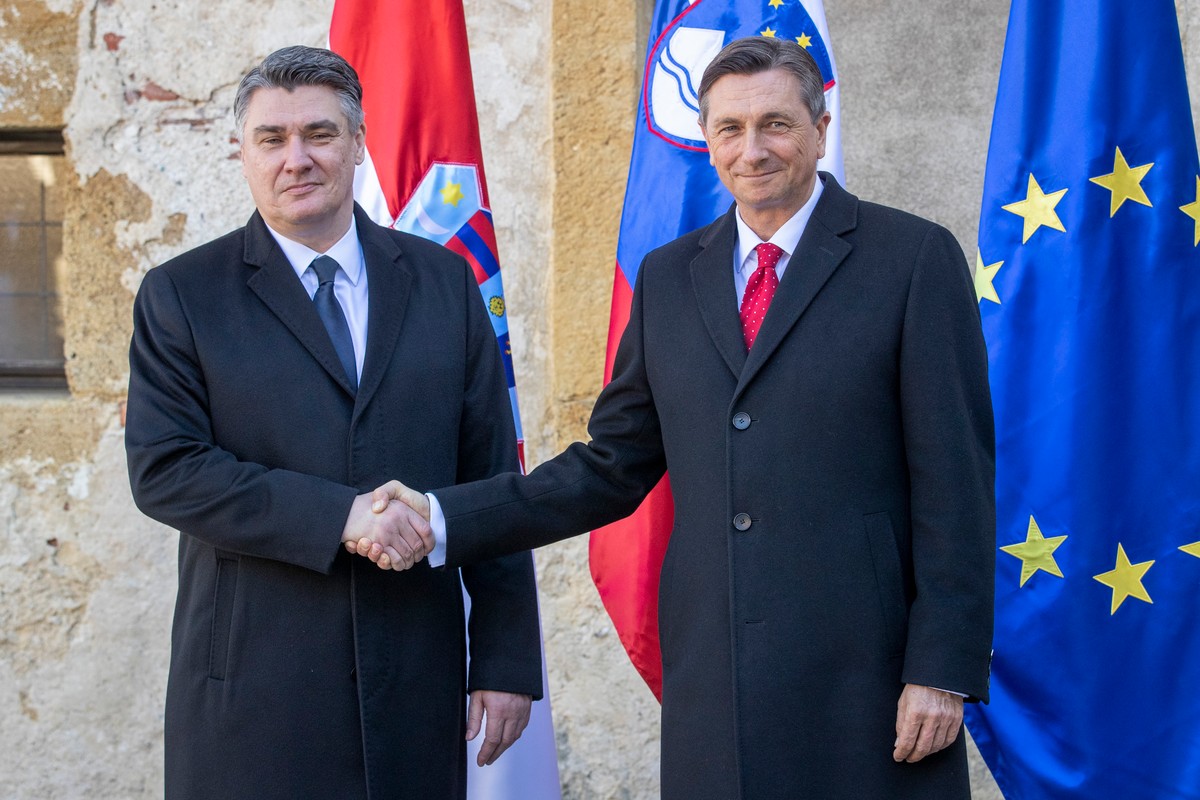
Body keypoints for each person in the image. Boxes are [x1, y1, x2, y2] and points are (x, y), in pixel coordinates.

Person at [364, 36, 996, 800]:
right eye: (730, 128)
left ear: (820, 128)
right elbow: (610, 466)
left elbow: (956, 485)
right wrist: (441, 517)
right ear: (706, 138)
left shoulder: (913, 259)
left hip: (870, 681)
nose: (752, 149)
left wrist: (942, 669)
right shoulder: (668, 277)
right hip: (715, 685)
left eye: (775, 124)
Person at [124, 45, 543, 800]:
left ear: (357, 144)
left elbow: (490, 477)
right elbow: (166, 470)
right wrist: (340, 516)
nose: (297, 159)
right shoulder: (182, 295)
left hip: (416, 677)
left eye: (319, 134)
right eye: (272, 138)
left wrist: (506, 658)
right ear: (243, 152)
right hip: (254, 689)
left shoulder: (445, 281)